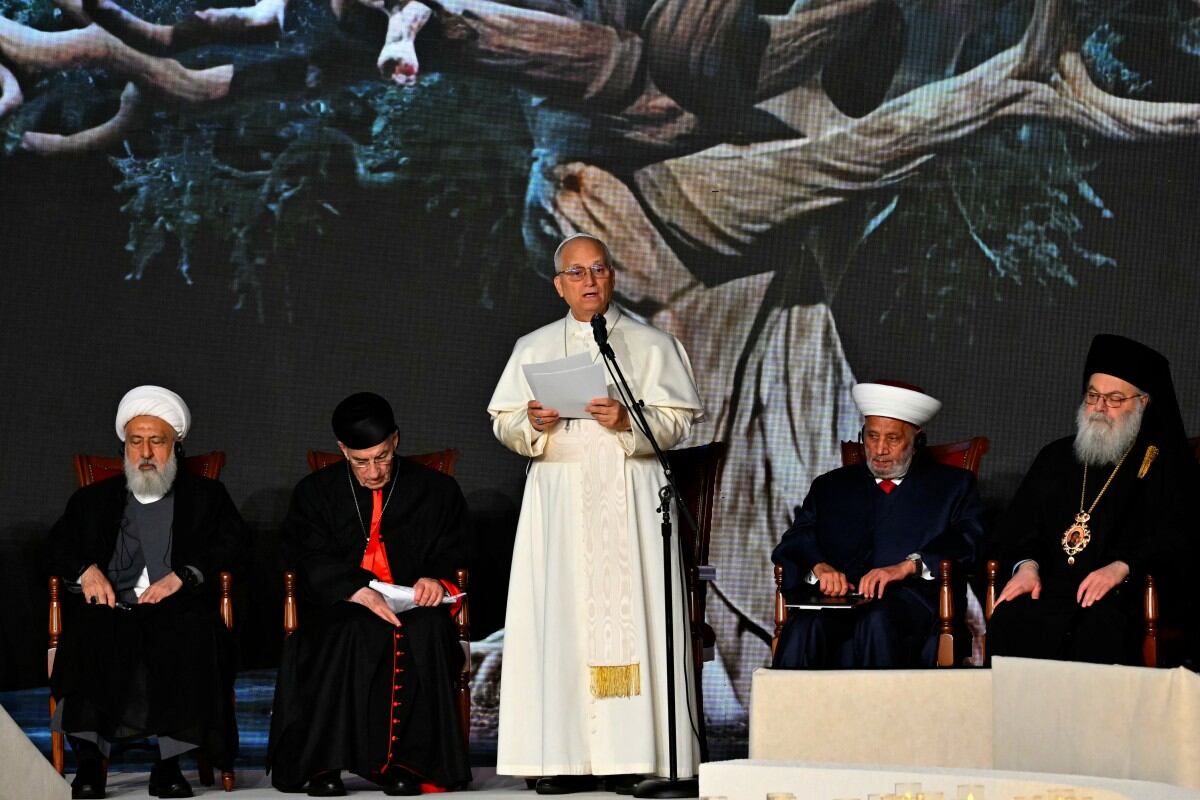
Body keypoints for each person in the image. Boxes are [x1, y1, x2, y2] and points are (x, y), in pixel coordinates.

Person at [487, 233, 705, 794]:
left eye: (599, 270)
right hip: (560, 500)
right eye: (576, 273)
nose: (589, 281)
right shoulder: (532, 346)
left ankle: (638, 754)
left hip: (631, 494)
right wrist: (531, 425)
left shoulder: (651, 344)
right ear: (560, 285)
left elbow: (678, 423)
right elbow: (504, 424)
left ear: (612, 277)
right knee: (561, 621)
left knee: (634, 619)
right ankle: (561, 758)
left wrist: (627, 420)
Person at [45, 385, 247, 800]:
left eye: (158, 441)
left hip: (176, 606)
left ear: (177, 445)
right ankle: (89, 766)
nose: (147, 453)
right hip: (110, 607)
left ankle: (168, 766)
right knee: (88, 635)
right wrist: (86, 572)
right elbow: (55, 547)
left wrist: (183, 577)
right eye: (136, 442)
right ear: (125, 446)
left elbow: (232, 545)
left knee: (186, 634)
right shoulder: (92, 499)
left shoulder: (206, 497)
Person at [267, 392, 472, 797]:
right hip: (343, 602)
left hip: (413, 603)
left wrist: (434, 578)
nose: (374, 471)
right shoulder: (315, 492)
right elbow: (304, 555)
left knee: (426, 631)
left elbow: (457, 547)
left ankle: (409, 765)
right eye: (361, 461)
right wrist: (355, 590)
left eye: (382, 457)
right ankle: (324, 763)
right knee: (346, 632)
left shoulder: (436, 489)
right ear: (343, 449)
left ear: (395, 441)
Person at [988, 334, 1194, 664]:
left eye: (1113, 399)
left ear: (1142, 403)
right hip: (1048, 585)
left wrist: (1123, 567)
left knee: (1098, 628)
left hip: (1123, 592)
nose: (1098, 408)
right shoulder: (1055, 457)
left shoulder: (1160, 461)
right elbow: (1020, 528)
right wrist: (1027, 567)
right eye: (1093, 395)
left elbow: (1178, 535)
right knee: (1012, 616)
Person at [771, 381, 983, 669]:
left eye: (893, 439)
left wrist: (906, 567)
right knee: (804, 626)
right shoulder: (831, 486)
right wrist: (819, 566)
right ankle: (790, 715)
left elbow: (969, 540)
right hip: (843, 600)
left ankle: (877, 714)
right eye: (872, 437)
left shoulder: (952, 486)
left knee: (877, 620)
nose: (880, 449)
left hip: (912, 603)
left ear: (916, 439)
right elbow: (797, 538)